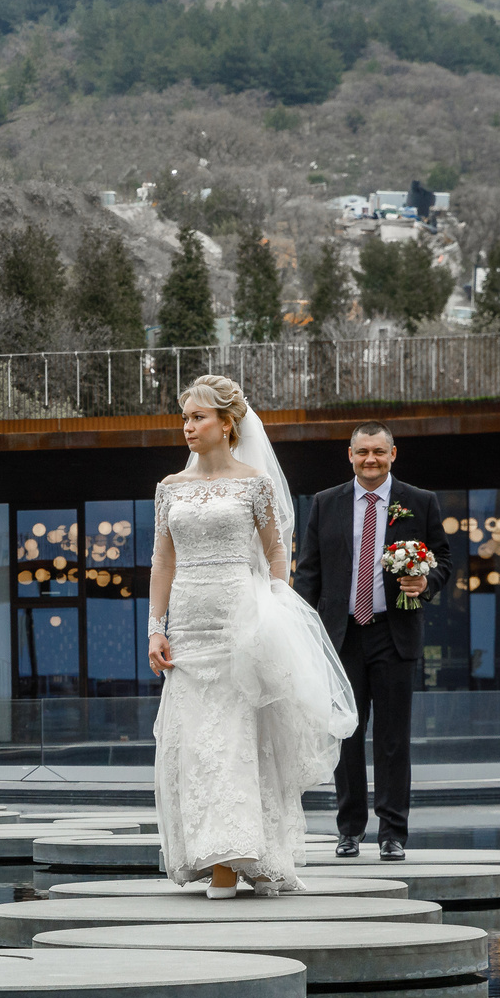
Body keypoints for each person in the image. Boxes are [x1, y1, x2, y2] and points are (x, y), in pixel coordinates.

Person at [147, 377, 356, 897]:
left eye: (198, 418)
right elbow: (162, 559)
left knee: (242, 735)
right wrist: (156, 627)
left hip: (240, 619)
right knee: (196, 741)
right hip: (189, 625)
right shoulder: (170, 487)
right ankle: (207, 851)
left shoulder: (254, 484)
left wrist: (275, 607)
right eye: (185, 419)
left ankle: (241, 855)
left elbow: (277, 552)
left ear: (227, 423)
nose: (188, 427)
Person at [296, 422, 451, 862]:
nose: (371, 459)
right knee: (346, 733)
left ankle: (392, 833)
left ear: (393, 454)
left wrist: (428, 582)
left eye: (379, 452)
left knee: (393, 738)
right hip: (340, 636)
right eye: (363, 451)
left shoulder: (419, 502)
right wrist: (303, 632)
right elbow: (309, 572)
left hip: (393, 632)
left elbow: (444, 558)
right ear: (350, 455)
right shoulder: (325, 504)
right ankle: (349, 830)